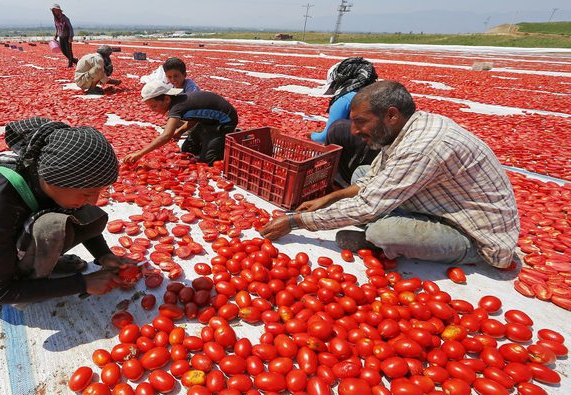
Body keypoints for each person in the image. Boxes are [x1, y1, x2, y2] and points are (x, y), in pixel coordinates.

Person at [260, 81, 520, 269]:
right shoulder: (404, 129)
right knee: (362, 173)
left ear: (391, 115)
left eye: (361, 121)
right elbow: (372, 177)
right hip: (446, 205)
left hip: (473, 233)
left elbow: (369, 204)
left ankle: (460, 251)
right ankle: (387, 227)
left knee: (384, 232)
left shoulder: (422, 148)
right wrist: (330, 199)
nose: (354, 131)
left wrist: (297, 221)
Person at [0, 117, 138, 305]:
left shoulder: (39, 174)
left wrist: (104, 255)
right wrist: (82, 283)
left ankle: (36, 267)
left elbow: (84, 217)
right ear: (56, 179)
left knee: (84, 213)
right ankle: (25, 283)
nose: (95, 199)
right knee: (50, 227)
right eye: (88, 191)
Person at [122, 80, 238, 166]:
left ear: (167, 99)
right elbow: (196, 116)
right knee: (188, 150)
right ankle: (211, 141)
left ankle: (226, 141)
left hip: (224, 122)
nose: (153, 110)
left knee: (209, 160)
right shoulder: (178, 100)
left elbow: (166, 136)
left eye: (154, 106)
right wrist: (180, 131)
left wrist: (139, 154)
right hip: (207, 121)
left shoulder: (177, 107)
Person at [311, 57, 379, 185]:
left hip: (365, 151)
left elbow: (325, 135)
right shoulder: (377, 93)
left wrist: (312, 135)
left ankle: (338, 181)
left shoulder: (345, 98)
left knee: (337, 129)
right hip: (382, 152)